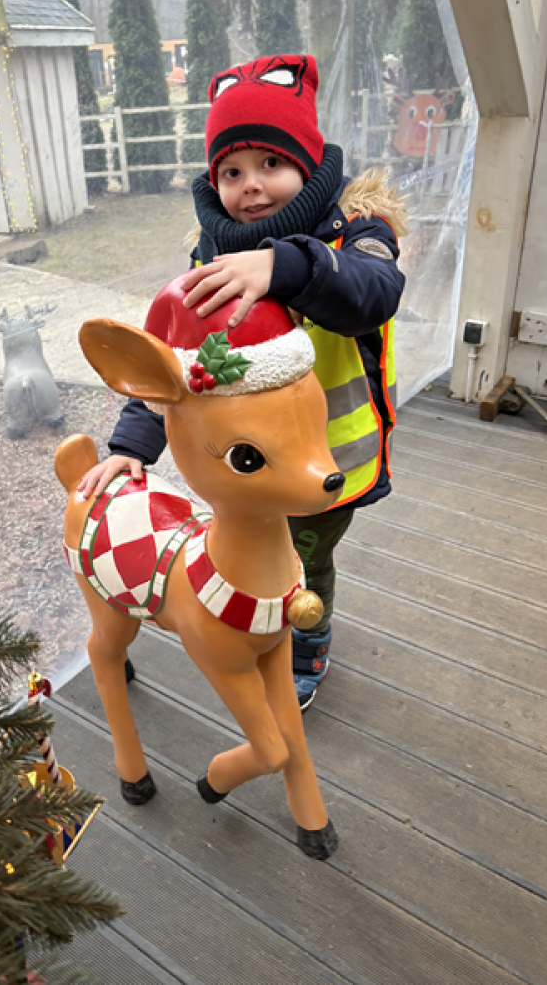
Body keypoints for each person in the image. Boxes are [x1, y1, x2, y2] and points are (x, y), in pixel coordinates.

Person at [78, 53, 407, 712]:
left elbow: (375, 293)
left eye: (271, 163)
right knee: (249, 556)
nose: (251, 186)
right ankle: (255, 631)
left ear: (307, 163)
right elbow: (177, 365)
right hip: (243, 463)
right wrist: (131, 447)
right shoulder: (211, 254)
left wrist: (282, 267)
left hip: (328, 458)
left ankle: (307, 642)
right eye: (231, 171)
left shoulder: (358, 232)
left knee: (303, 561)